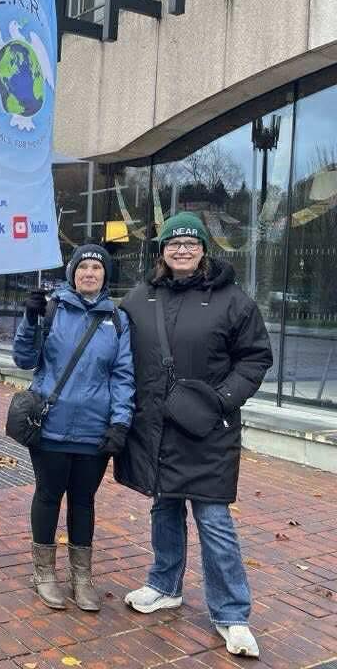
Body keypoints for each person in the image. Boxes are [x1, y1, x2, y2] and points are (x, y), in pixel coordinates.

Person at [115, 213, 272, 659]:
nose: (181, 250)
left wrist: (222, 400)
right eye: (173, 243)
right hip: (156, 429)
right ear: (162, 250)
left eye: (190, 243)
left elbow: (255, 357)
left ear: (203, 249)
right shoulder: (140, 298)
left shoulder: (232, 300)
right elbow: (113, 348)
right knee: (164, 507)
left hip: (207, 431)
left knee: (213, 519)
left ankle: (232, 613)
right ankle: (165, 584)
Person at [12, 244, 134, 612]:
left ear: (105, 275)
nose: (89, 273)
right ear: (72, 274)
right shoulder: (52, 310)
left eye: (97, 267)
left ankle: (82, 578)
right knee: (49, 496)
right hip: (51, 424)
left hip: (94, 430)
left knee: (83, 502)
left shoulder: (118, 319)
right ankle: (44, 573)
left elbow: (123, 376)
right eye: (83, 267)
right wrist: (29, 320)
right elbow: (24, 359)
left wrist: (120, 422)